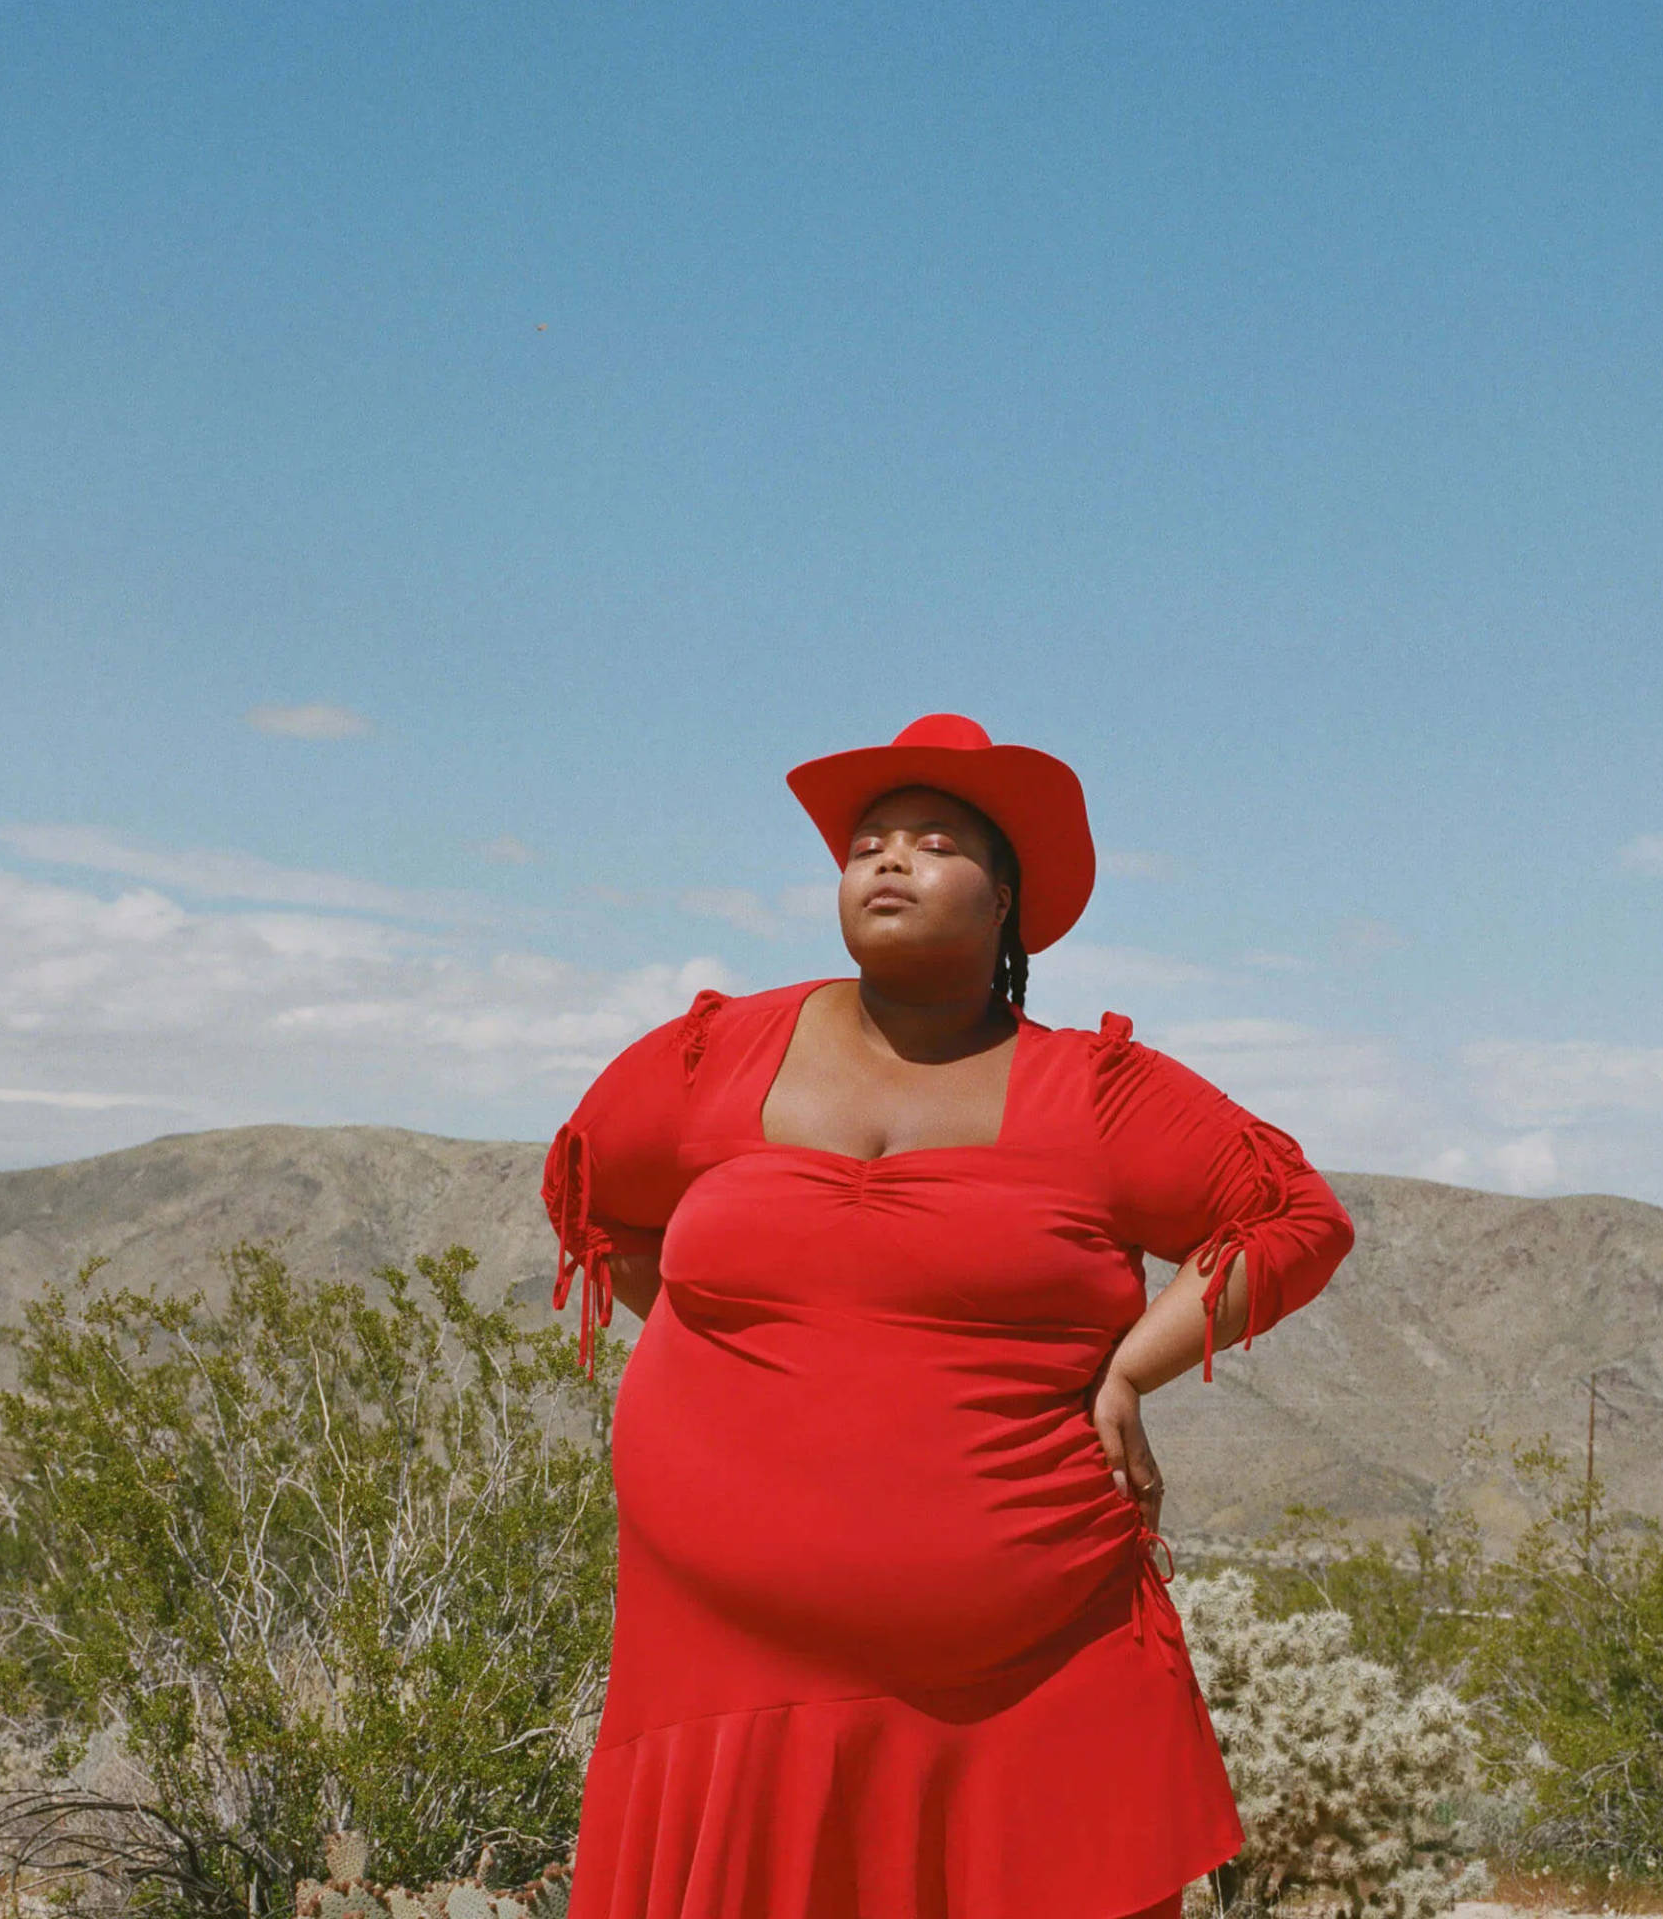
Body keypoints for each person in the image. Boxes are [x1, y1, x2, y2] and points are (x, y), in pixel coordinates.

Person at [541, 713, 1356, 1919]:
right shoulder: (715, 1058)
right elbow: (595, 1193)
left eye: (933, 841)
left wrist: (1131, 1366)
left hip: (1028, 1660)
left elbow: (1294, 1217)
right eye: (869, 841)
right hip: (728, 1666)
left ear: (1005, 902)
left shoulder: (1097, 1097)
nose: (888, 859)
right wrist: (731, 1363)